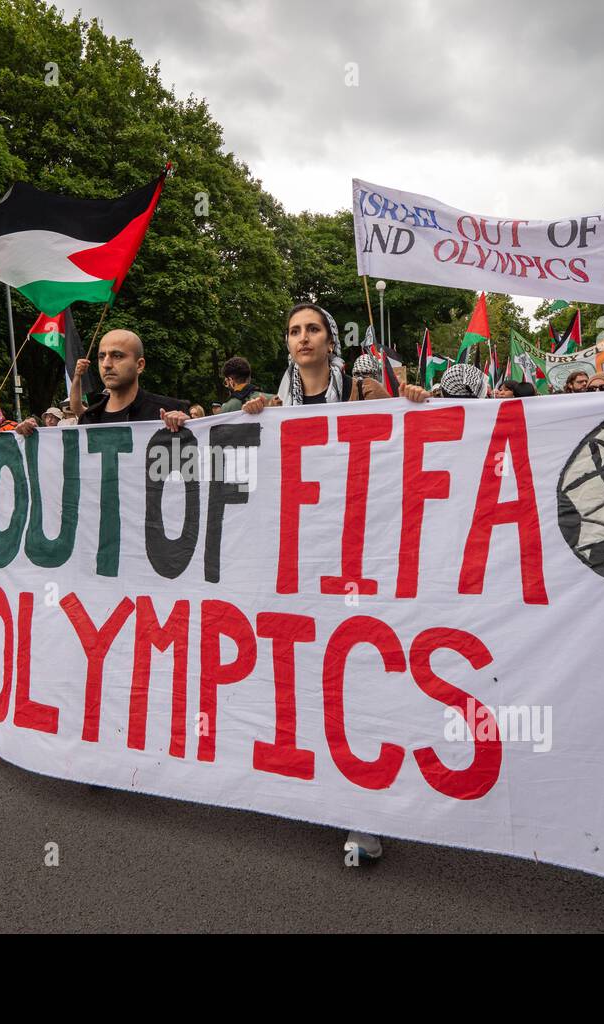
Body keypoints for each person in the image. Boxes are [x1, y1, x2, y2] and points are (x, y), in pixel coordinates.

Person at [242, 303, 428, 864]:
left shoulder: (366, 392)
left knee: (358, 676)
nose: (303, 338)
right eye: (294, 331)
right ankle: (316, 789)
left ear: (330, 340)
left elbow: (414, 445)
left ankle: (365, 814)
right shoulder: (272, 407)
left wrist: (411, 401)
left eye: (313, 329)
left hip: (360, 560)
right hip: (299, 563)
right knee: (305, 675)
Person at [17, 330, 190, 434]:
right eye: (101, 357)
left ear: (140, 365)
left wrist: (188, 426)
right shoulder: (90, 418)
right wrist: (29, 439)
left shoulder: (168, 411)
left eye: (117, 356)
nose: (106, 364)